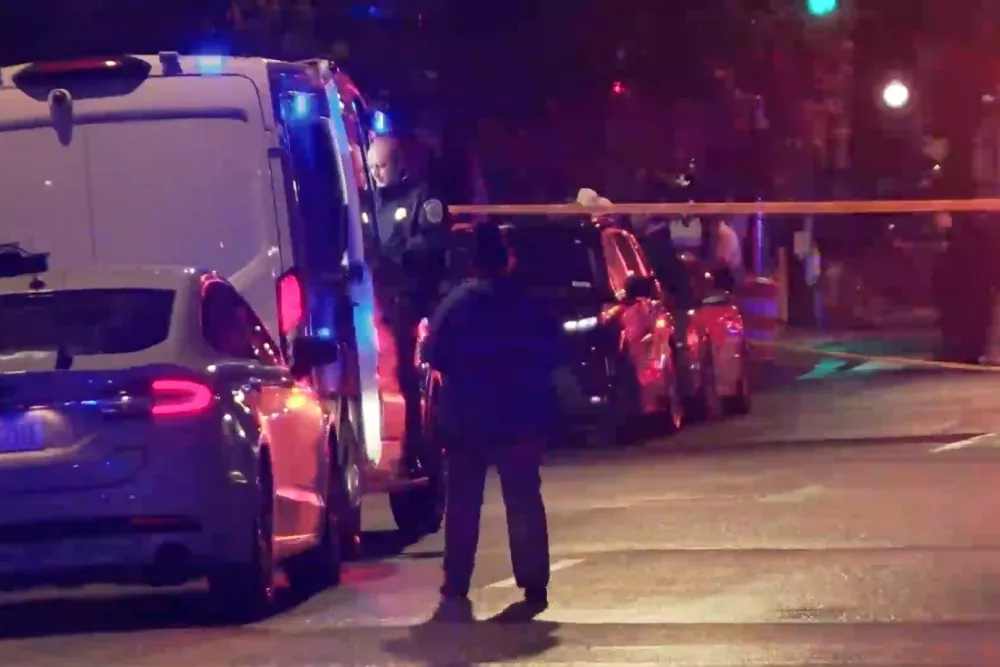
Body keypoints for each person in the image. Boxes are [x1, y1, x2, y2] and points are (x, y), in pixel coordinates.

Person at [423, 223, 583, 612]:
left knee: (463, 504)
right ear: (506, 257)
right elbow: (553, 351)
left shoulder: (455, 304)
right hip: (519, 414)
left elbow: (435, 354)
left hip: (467, 417)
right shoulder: (527, 303)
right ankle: (534, 582)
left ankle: (457, 583)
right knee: (524, 499)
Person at [365, 134, 449, 457]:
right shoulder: (367, 200)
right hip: (374, 300)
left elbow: (430, 244)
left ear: (399, 165)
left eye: (382, 166)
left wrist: (393, 260)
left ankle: (415, 442)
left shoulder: (423, 200)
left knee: (405, 373)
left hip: (409, 302)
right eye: (372, 166)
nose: (376, 173)